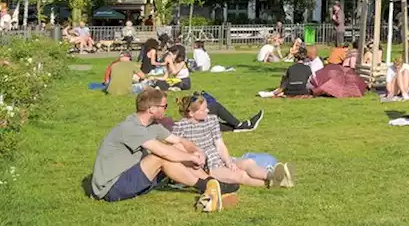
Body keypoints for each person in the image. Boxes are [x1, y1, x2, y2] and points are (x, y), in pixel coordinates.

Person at [90, 88, 228, 211]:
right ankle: (204, 185)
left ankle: (212, 182)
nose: (166, 109)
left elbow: (179, 141)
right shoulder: (131, 127)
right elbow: (162, 152)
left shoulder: (151, 125)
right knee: (159, 157)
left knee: (178, 148)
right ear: (152, 109)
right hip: (112, 188)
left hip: (130, 176)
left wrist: (197, 150)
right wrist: (191, 157)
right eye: (164, 106)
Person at [172, 93, 293, 189]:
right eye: (203, 110)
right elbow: (176, 149)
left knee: (248, 162)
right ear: (191, 113)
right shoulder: (180, 127)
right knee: (240, 175)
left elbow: (220, 144)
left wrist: (229, 161)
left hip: (219, 158)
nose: (208, 111)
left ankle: (274, 176)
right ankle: (275, 183)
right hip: (207, 167)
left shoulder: (212, 120)